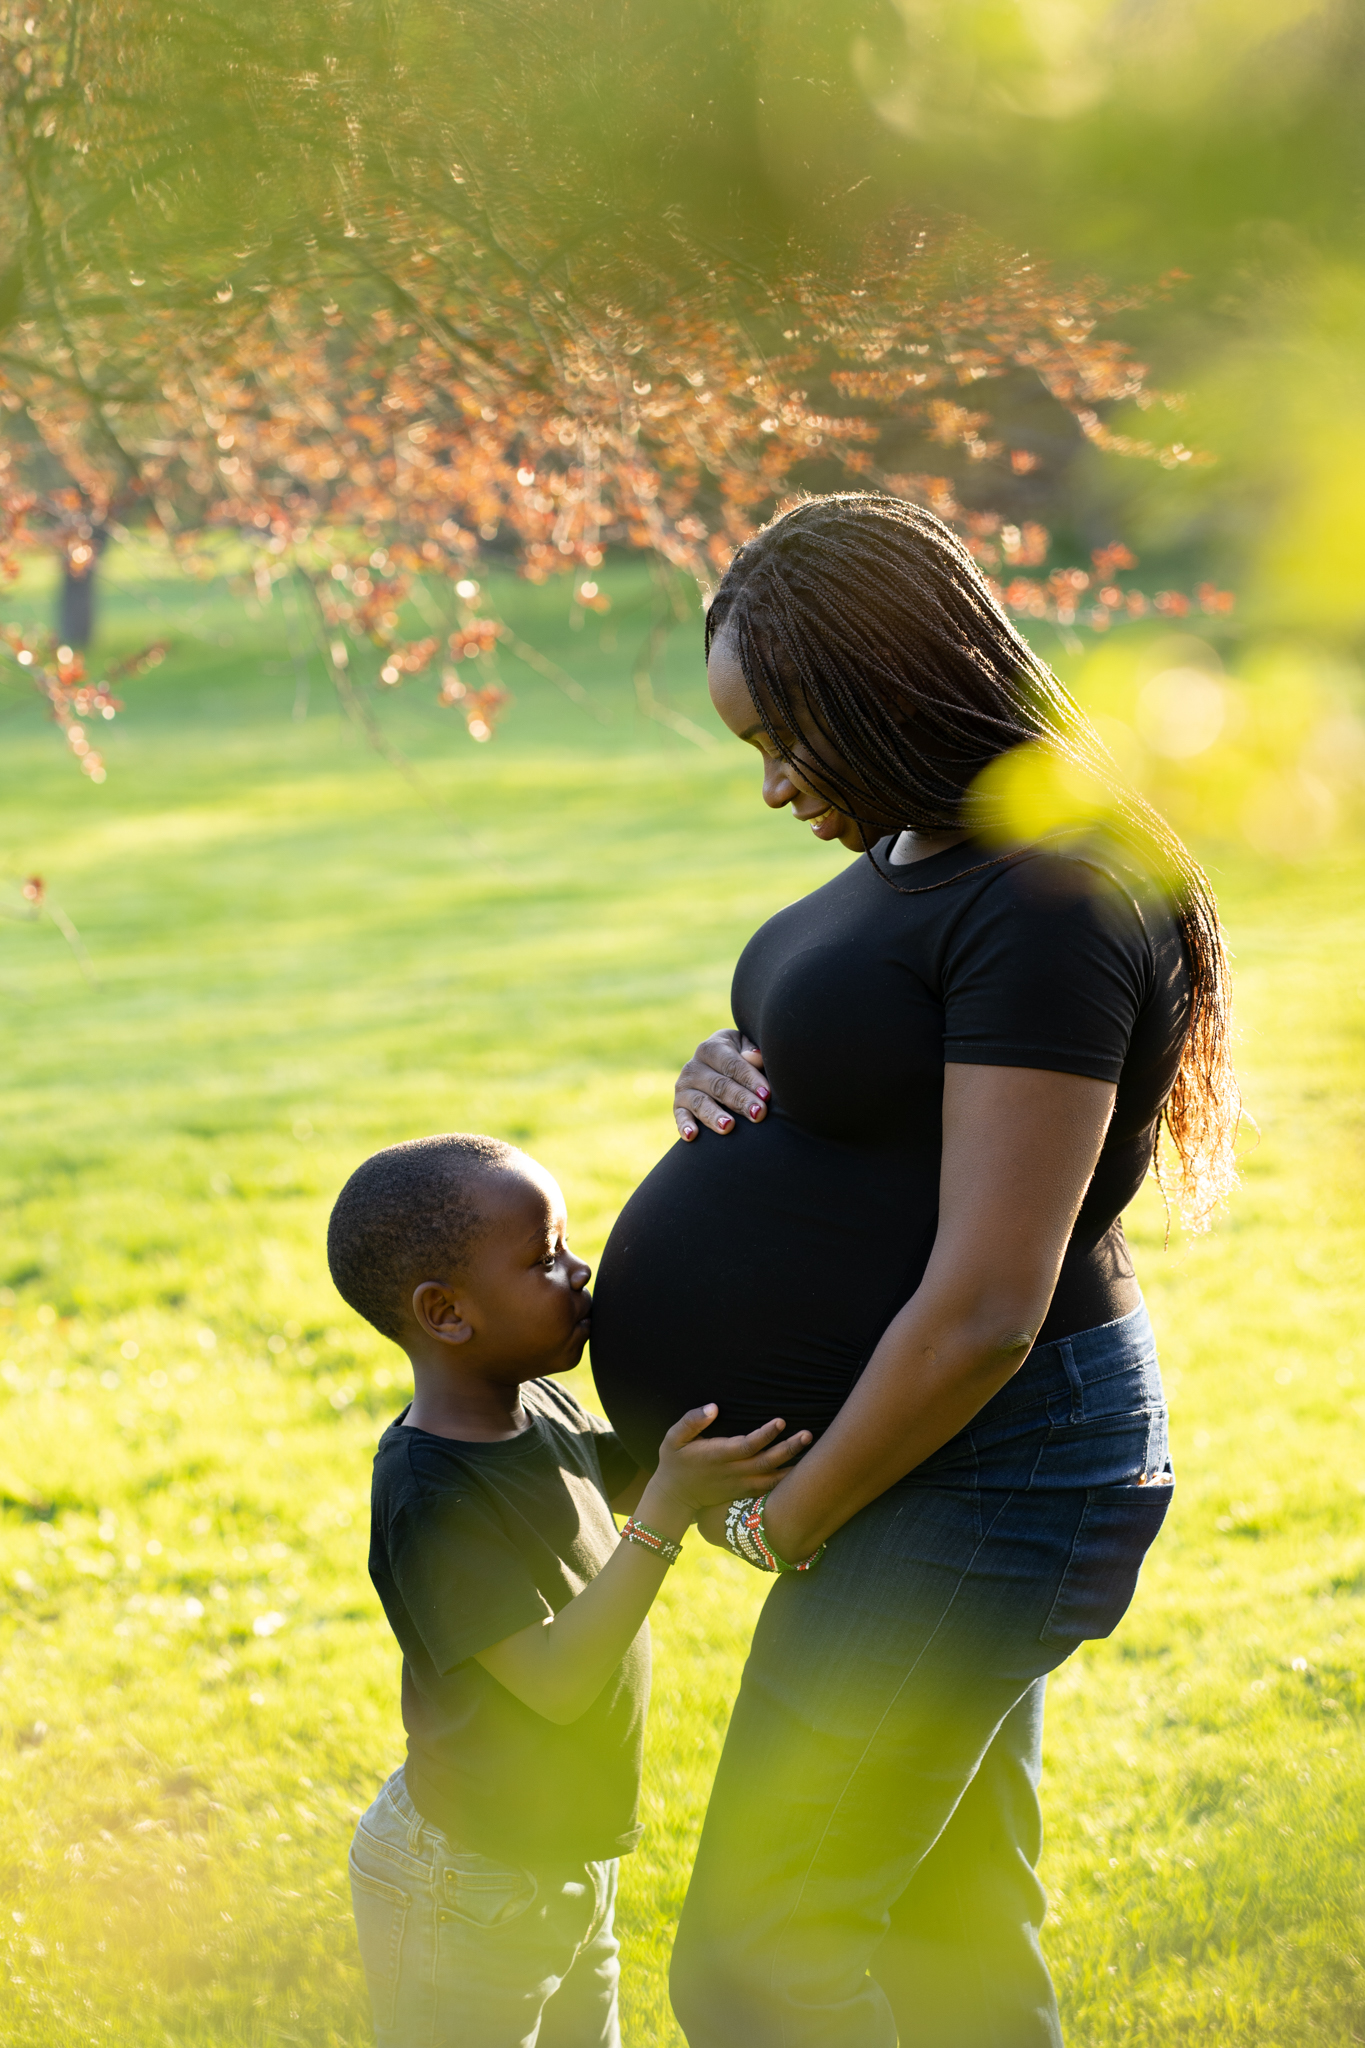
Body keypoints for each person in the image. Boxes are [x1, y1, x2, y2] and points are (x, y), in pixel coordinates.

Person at [588, 493, 1240, 2046]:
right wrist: (734, 1073)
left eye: (789, 740)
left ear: (892, 685)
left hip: (979, 1461)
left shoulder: (1056, 892)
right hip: (927, 1461)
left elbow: (988, 1305)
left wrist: (784, 1521)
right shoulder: (922, 845)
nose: (769, 789)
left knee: (759, 1961)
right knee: (945, 1941)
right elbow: (888, 1074)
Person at [326, 1132, 809, 2048]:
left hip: (565, 1860)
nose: (579, 1270)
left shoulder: (536, 1407)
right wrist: (663, 1511)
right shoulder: (432, 1495)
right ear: (447, 1313)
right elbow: (553, 1678)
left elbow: (647, 1463)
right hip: (466, 1881)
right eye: (545, 1259)